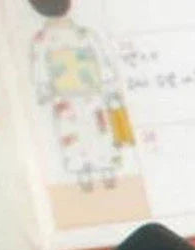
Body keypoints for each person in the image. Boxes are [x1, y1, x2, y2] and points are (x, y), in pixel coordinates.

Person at [29, 0, 124, 190]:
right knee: (94, 131)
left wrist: (44, 89)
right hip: (84, 93)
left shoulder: (42, 40)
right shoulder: (84, 35)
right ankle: (102, 172)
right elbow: (102, 62)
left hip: (71, 95)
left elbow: (40, 70)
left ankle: (88, 174)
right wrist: (108, 83)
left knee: (83, 133)